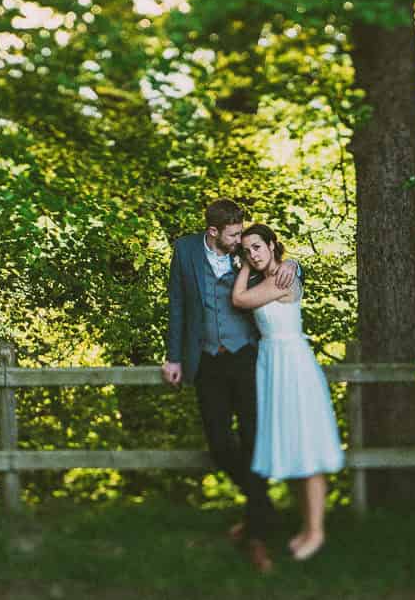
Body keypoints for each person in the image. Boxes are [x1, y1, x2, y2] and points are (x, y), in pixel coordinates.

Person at [163, 198, 291, 573]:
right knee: (220, 443)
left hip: (247, 357)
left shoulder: (247, 251)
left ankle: (256, 536)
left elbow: (278, 261)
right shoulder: (185, 250)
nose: (240, 240)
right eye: (233, 234)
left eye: (242, 233)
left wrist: (293, 265)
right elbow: (176, 305)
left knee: (253, 441)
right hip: (206, 361)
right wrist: (173, 356)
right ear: (213, 232)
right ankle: (263, 508)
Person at [231, 222, 343, 562]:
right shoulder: (269, 277)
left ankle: (316, 531)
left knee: (308, 449)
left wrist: (252, 267)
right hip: (272, 365)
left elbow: (239, 299)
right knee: (294, 449)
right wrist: (253, 266)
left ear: (272, 245)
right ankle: (306, 528)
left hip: (292, 366)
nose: (252, 254)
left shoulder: (283, 279)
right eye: (247, 250)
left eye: (257, 247)